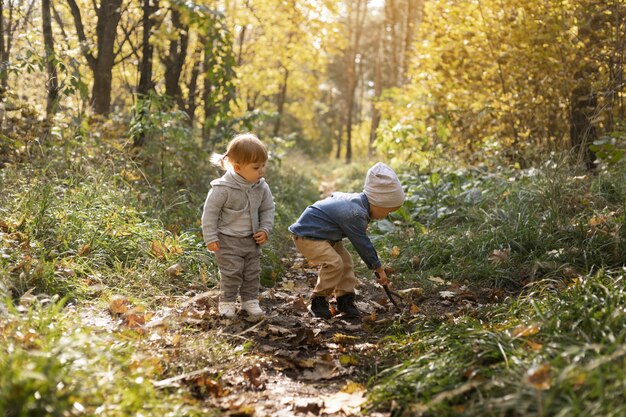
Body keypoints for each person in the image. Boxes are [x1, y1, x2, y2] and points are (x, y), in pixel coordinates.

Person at [288, 162, 405, 319]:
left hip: (326, 236)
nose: (387, 215)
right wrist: (378, 268)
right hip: (308, 235)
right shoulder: (356, 214)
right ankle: (318, 300)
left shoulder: (357, 203)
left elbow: (335, 197)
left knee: (346, 262)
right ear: (378, 202)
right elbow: (362, 244)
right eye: (388, 210)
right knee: (334, 263)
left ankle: (345, 299)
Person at [201, 133, 275, 319]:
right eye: (256, 167)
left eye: (263, 165)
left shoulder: (261, 187)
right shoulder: (222, 189)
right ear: (237, 167)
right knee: (231, 273)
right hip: (227, 240)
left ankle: (250, 300)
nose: (262, 171)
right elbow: (210, 214)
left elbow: (267, 209)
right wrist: (210, 238)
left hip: (251, 240)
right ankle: (226, 302)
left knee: (252, 272)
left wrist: (264, 229)